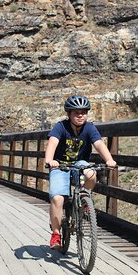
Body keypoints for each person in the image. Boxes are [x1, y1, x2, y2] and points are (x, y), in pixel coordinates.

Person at [44, 95, 117, 249]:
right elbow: (52, 143)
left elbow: (99, 144)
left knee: (90, 173)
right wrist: (50, 160)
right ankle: (56, 234)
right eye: (76, 112)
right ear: (69, 114)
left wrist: (109, 159)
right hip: (60, 166)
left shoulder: (89, 128)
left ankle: (84, 197)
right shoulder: (61, 127)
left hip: (79, 165)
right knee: (57, 198)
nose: (80, 115)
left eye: (83, 112)